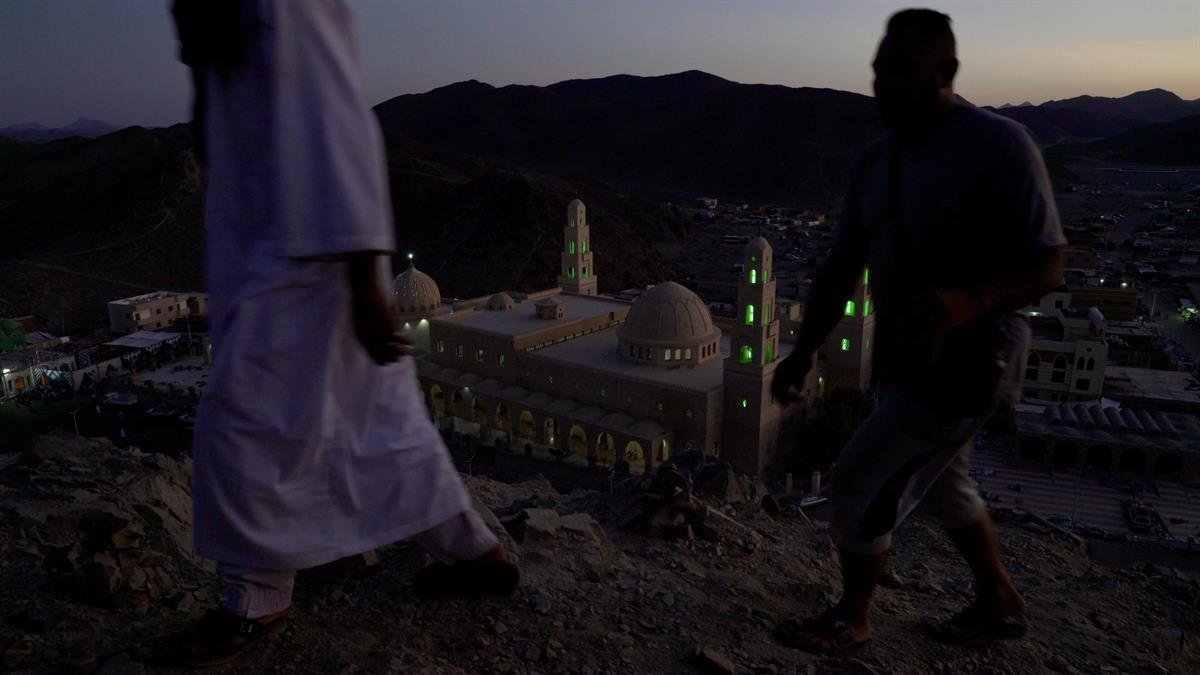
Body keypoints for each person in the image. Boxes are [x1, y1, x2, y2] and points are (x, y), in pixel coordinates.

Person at [164, 1, 518, 666]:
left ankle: (258, 593)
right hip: (281, 255)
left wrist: (364, 283)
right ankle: (474, 552)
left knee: (243, 423)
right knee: (376, 423)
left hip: (308, 263)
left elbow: (340, 122)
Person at [770, 8, 1065, 654]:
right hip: (906, 357)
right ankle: (999, 600)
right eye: (879, 70)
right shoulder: (874, 162)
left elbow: (1048, 264)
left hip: (971, 360)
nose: (883, 84)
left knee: (857, 480)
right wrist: (801, 351)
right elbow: (841, 267)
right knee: (945, 482)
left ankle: (852, 618)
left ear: (946, 71)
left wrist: (969, 301)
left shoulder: (999, 145)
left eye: (901, 69)